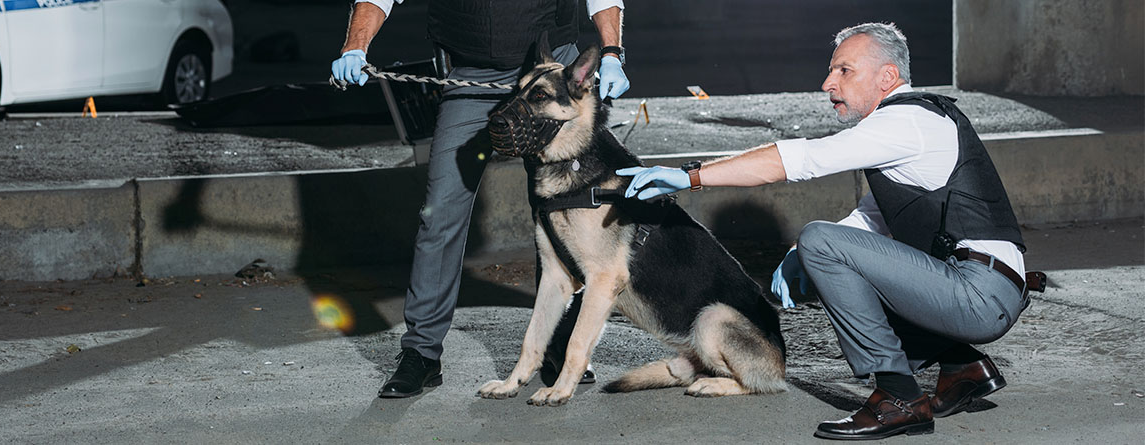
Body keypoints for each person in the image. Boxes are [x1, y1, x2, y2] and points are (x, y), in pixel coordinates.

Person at [617, 23, 1038, 440]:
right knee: (824, 250)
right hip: (981, 287)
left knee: (822, 241)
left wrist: (690, 176)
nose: (827, 83)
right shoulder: (910, 124)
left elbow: (803, 158)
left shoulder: (905, 122)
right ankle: (961, 366)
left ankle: (898, 397)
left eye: (844, 71)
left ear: (887, 77)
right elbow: (872, 219)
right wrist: (802, 253)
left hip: (980, 294)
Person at [331, 0, 630, 399]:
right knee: (440, 212)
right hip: (472, 77)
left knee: (566, 211)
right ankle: (421, 354)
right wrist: (355, 46)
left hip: (548, 71)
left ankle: (557, 343)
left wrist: (611, 52)